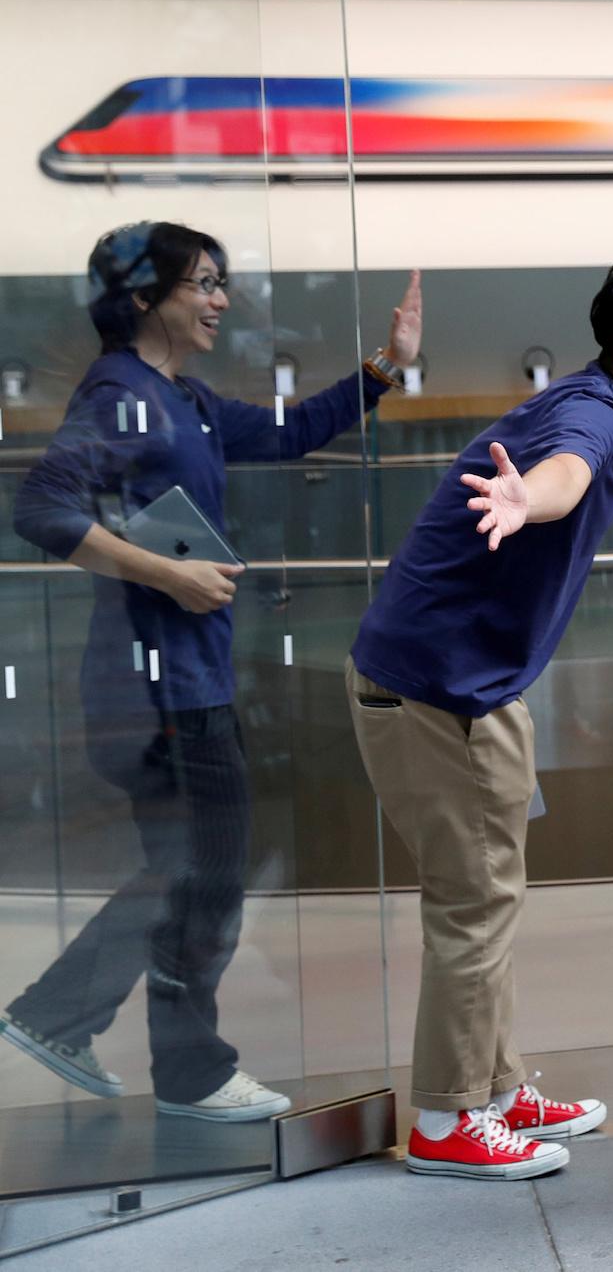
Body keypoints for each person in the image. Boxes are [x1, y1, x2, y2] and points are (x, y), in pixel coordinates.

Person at [346, 258, 613, 1179]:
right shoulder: (589, 416)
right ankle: (446, 1120)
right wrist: (522, 497)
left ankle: (495, 1089)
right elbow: (564, 476)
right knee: (472, 907)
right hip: (436, 694)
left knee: (493, 897)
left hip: (474, 690)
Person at [3, 222, 419, 1122]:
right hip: (159, 689)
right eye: (202, 283)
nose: (220, 300)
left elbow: (290, 430)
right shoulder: (122, 395)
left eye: (221, 283)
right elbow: (40, 507)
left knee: (188, 868)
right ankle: (184, 1070)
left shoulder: (176, 397)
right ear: (144, 297)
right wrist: (169, 572)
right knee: (210, 868)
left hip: (186, 677)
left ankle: (56, 1017)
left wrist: (384, 367)